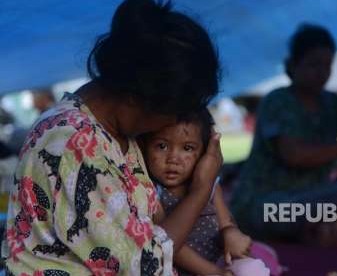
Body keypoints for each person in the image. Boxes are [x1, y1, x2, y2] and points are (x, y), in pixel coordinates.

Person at [5, 0, 222, 275]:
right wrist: (201, 190)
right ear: (138, 97)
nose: (173, 121)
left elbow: (151, 233)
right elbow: (144, 266)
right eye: (175, 111)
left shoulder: (116, 134)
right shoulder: (74, 143)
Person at [231, 24, 337, 239]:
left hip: (308, 200)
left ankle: (334, 229)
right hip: (265, 207)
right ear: (292, 65)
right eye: (313, 65)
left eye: (327, 66)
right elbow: (296, 156)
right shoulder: (278, 101)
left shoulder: (331, 103)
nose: (321, 73)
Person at [139, 108, 270, 276]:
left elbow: (227, 223)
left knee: (252, 269)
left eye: (187, 148)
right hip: (180, 269)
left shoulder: (210, 185)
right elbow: (169, 244)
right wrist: (214, 273)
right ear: (144, 147)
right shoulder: (152, 192)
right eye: (162, 146)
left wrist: (231, 234)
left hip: (219, 261)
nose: (173, 158)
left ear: (205, 152)